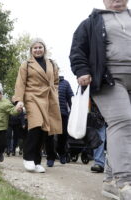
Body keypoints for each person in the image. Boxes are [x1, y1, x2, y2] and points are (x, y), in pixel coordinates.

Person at [69, 0, 131, 199]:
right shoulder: (91, 22)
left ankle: (110, 181)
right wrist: (82, 71)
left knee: (121, 128)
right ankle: (125, 181)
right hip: (107, 79)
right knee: (123, 121)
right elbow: (77, 50)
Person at [14, 38, 62, 173]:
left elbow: (56, 80)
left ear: (44, 49)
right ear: (31, 50)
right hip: (32, 97)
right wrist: (19, 100)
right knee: (35, 126)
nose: (37, 49)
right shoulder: (26, 64)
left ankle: (36, 161)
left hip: (48, 99)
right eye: (35, 48)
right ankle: (28, 157)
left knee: (44, 130)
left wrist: (55, 92)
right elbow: (20, 83)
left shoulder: (52, 64)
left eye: (40, 47)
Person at [0, 81, 22, 166]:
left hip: (1, 128)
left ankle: (1, 152)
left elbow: (12, 111)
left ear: (2, 93)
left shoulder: (6, 102)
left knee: (2, 144)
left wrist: (17, 110)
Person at [57, 75, 74, 164]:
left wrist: (74, 111)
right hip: (49, 114)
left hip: (63, 113)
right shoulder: (47, 81)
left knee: (63, 135)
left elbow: (71, 98)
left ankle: (62, 153)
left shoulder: (65, 83)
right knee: (49, 136)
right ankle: (50, 156)